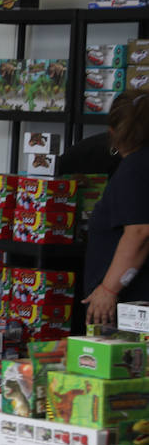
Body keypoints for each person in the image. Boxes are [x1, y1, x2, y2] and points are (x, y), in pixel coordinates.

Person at [82, 93, 149, 326]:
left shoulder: (136, 168)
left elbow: (140, 232)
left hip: (132, 305)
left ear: (113, 133)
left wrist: (109, 289)